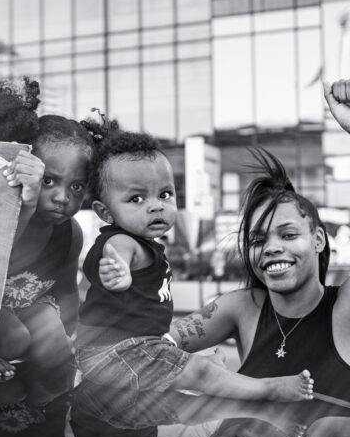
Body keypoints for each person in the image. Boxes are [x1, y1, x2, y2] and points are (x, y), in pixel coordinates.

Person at [76, 129, 314, 402]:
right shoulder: (122, 241)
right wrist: (117, 271)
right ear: (105, 212)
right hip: (113, 353)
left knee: (188, 367)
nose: (155, 206)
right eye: (136, 199)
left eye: (164, 194)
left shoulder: (146, 244)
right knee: (199, 372)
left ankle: (209, 371)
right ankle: (267, 389)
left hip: (136, 349)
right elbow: (115, 252)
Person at [169, 120, 350, 402]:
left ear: (318, 240)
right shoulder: (243, 307)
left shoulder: (343, 306)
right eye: (257, 241)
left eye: (288, 235)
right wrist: (204, 373)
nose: (271, 248)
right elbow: (147, 350)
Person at [0, 78, 96, 378]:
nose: (63, 198)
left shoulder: (70, 232)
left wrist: (72, 340)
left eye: (76, 186)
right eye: (48, 181)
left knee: (54, 343)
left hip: (26, 310)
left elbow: (66, 291)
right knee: (15, 338)